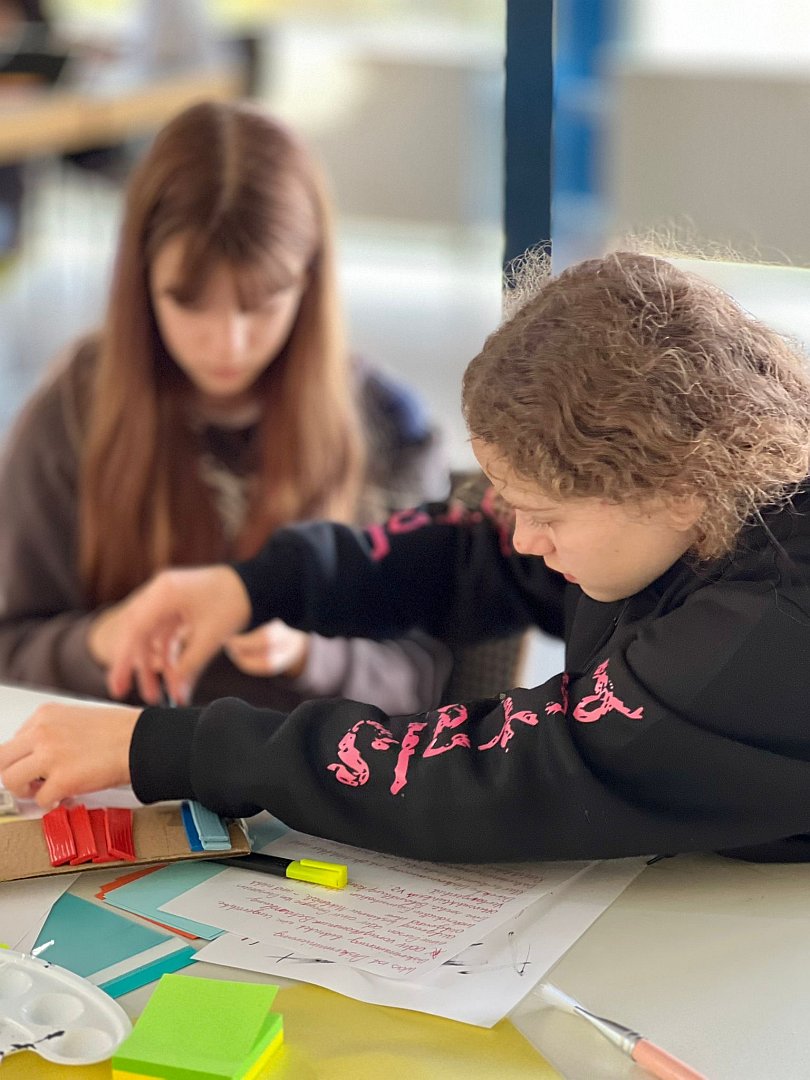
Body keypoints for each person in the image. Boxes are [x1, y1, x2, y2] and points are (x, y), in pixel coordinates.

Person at [5, 250, 810, 866]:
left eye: (544, 515)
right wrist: (254, 585)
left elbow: (495, 775)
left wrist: (167, 746)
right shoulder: (695, 490)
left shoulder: (758, 634)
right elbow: (472, 548)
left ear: (678, 489)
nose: (521, 537)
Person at [0, 99, 451, 714]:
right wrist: (105, 638)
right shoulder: (74, 412)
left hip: (313, 789)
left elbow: (426, 677)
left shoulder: (387, 425)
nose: (228, 343)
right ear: (140, 281)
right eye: (189, 303)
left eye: (262, 303)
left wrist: (307, 654)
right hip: (122, 777)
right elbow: (11, 648)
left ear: (310, 282)